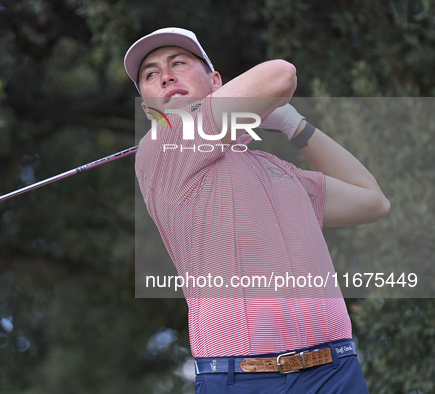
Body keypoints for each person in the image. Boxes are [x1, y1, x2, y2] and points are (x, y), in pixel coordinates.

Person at [125, 27, 390, 393]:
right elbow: (280, 75)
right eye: (151, 75)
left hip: (336, 371)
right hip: (243, 380)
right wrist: (254, 107)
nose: (165, 75)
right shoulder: (161, 146)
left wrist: (295, 125)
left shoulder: (275, 168)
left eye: (178, 63)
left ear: (215, 81)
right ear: (148, 109)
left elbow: (372, 200)